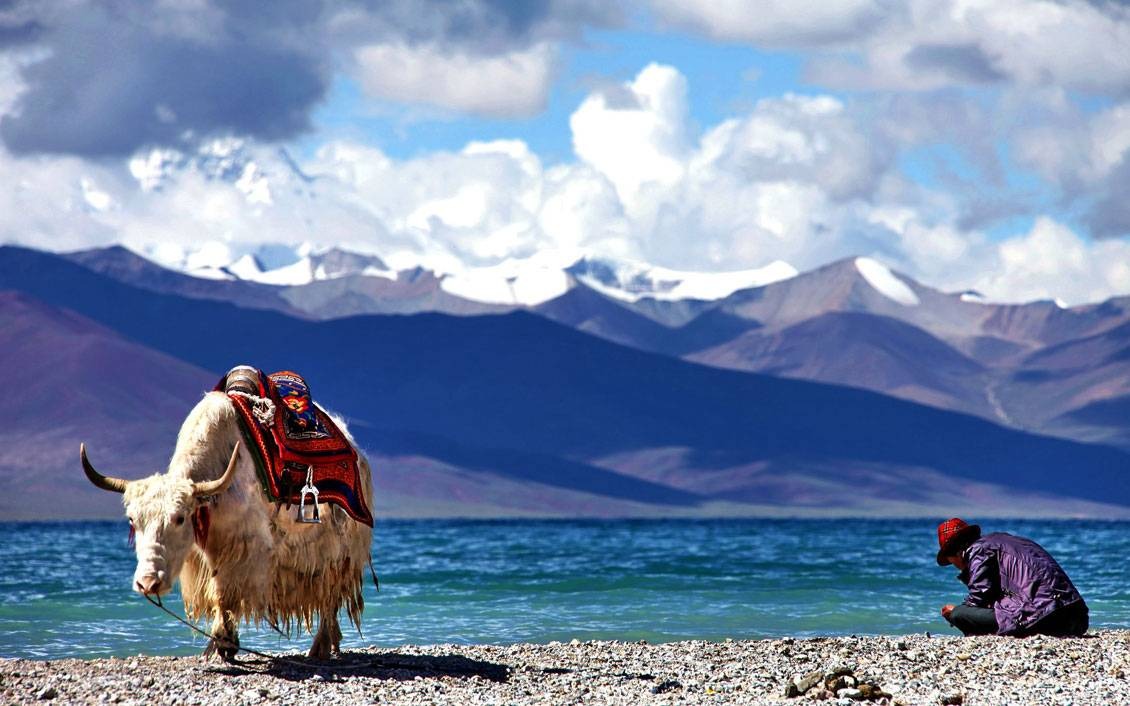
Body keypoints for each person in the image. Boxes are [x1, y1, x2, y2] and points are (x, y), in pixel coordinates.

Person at [935, 518, 1088, 637]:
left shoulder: (978, 550)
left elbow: (980, 595)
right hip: (1077, 616)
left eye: (951, 562)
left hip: (1045, 617)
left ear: (955, 553)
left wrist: (956, 612)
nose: (954, 566)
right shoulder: (1005, 542)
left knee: (959, 614)